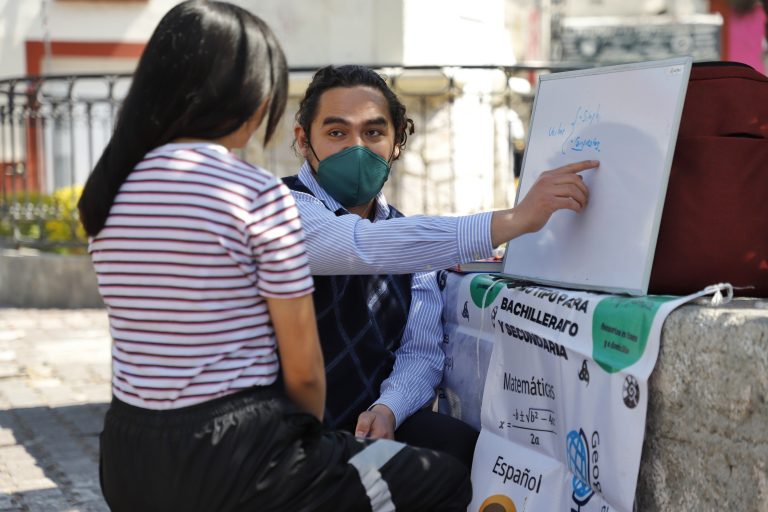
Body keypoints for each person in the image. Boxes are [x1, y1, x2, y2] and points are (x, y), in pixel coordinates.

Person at [77, 3, 470, 511]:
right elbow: (306, 374)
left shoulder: (108, 193)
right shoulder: (257, 194)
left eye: (373, 132)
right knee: (443, 478)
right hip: (234, 454)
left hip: (128, 453)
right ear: (253, 99)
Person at [285, 64, 598, 469]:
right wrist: (515, 219)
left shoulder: (408, 240)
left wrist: (388, 409)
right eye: (337, 132)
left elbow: (420, 353)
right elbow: (359, 245)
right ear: (303, 139)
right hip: (282, 431)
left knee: (457, 447)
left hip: (363, 428)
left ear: (398, 141)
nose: (356, 149)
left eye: (374, 133)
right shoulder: (281, 206)